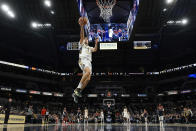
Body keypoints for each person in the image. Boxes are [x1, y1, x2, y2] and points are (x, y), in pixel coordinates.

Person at [72, 17, 99, 103]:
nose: (86, 39)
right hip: (82, 60)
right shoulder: (81, 44)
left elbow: (95, 49)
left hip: (88, 62)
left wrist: (96, 43)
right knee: (87, 72)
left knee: (88, 79)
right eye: (85, 39)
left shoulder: (89, 47)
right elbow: (82, 35)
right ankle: (77, 89)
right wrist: (82, 26)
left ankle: (77, 92)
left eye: (87, 39)